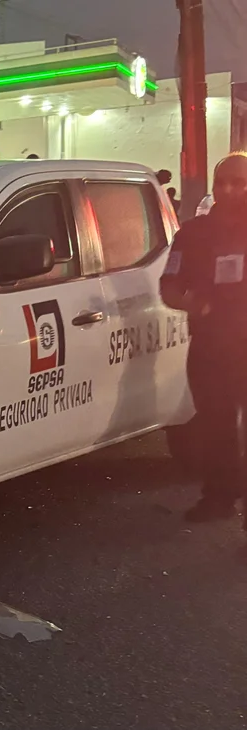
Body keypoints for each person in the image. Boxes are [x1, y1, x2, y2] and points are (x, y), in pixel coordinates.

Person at [160, 152, 247, 523]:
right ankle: (219, 497)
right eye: (221, 182)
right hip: (211, 347)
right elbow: (169, 285)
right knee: (215, 427)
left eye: (238, 183)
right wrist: (193, 303)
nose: (228, 190)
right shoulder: (193, 234)